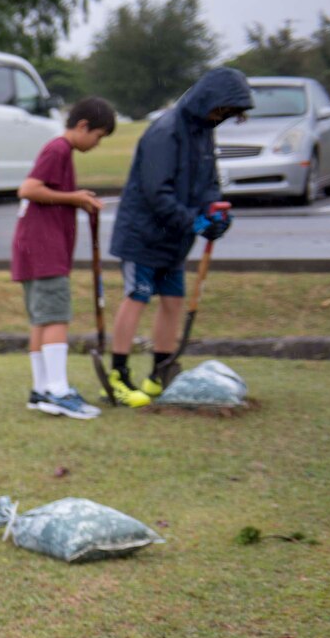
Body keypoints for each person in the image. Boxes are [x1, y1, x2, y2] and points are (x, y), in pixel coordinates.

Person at [105, 67, 254, 406]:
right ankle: (118, 374)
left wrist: (215, 213)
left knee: (172, 301)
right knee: (137, 296)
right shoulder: (166, 131)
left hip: (175, 237)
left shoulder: (203, 132)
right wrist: (194, 221)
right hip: (142, 234)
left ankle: (161, 371)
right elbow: (157, 192)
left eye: (227, 115)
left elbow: (208, 183)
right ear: (207, 100)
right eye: (221, 110)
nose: (221, 118)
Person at [13, 97, 116, 420]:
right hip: (45, 248)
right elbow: (28, 189)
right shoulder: (58, 149)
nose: (97, 144)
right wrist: (74, 197)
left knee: (41, 319)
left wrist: (77, 201)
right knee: (56, 316)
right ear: (83, 126)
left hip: (33, 246)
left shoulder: (60, 150)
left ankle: (42, 389)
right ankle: (58, 390)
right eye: (98, 136)